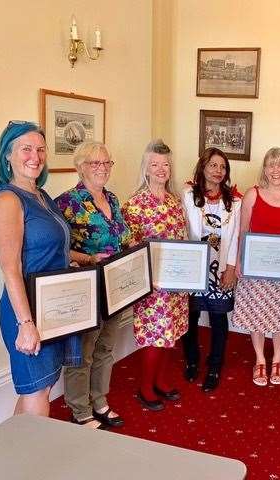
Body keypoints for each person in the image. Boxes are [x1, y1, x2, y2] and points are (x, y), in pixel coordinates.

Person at [0, 121, 80, 416]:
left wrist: (86, 262)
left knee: (42, 386)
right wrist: (25, 324)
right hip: (25, 309)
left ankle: (16, 453)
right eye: (25, 149)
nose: (35, 156)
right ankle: (32, 460)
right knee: (37, 388)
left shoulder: (41, 195)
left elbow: (54, 248)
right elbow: (10, 268)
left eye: (40, 149)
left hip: (50, 304)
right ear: (7, 156)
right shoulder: (7, 199)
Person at [55, 142, 130, 429]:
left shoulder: (112, 198)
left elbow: (121, 237)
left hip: (114, 284)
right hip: (86, 285)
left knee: (106, 347)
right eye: (94, 163)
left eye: (106, 163)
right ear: (80, 166)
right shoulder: (67, 202)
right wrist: (87, 257)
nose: (101, 168)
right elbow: (59, 248)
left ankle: (99, 399)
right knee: (83, 350)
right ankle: (79, 408)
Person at [121, 139, 188, 411]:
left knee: (172, 333)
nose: (161, 169)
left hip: (176, 283)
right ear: (146, 169)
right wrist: (147, 277)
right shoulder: (134, 205)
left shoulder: (174, 202)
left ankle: (161, 380)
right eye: (155, 164)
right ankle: (145, 387)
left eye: (165, 164)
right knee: (154, 336)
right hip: (152, 284)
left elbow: (183, 240)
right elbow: (129, 248)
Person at [232, 147, 280, 386]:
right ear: (265, 169)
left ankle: (277, 361)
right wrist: (240, 260)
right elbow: (242, 231)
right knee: (257, 316)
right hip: (256, 269)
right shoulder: (253, 194)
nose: (275, 170)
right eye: (271, 165)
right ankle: (260, 360)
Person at [181, 148, 241, 392]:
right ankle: (192, 360)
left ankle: (215, 365)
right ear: (203, 167)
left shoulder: (234, 201)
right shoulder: (187, 195)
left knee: (218, 318)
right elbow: (182, 229)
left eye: (222, 167)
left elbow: (236, 236)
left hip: (221, 267)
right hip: (194, 267)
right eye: (213, 165)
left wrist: (230, 268)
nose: (218, 171)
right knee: (190, 317)